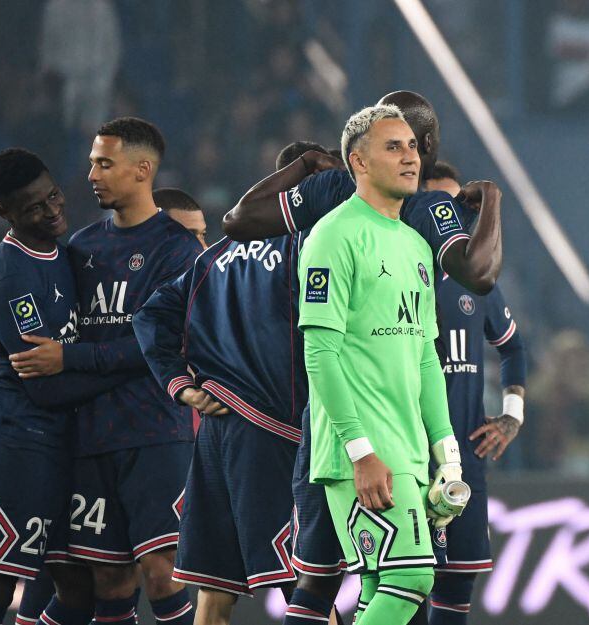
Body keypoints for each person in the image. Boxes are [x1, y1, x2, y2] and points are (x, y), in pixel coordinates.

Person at [131, 141, 350, 625]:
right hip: (274, 432)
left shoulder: (215, 256)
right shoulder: (312, 245)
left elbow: (150, 317)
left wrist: (181, 386)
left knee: (214, 592)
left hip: (216, 434)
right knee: (309, 585)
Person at [3, 118, 202, 625]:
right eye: (93, 162)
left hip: (155, 433)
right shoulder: (82, 247)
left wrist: (69, 359)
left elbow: (159, 344)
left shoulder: (176, 248)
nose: (91, 174)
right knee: (109, 579)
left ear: (142, 170)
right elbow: (52, 322)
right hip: (91, 434)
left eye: (104, 164)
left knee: (163, 573)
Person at [299, 103, 462, 624]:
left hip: (408, 451)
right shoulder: (333, 235)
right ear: (359, 162)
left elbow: (425, 357)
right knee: (413, 579)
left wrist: (447, 453)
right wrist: (360, 451)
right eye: (394, 147)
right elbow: (319, 353)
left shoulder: (415, 245)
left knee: (379, 587)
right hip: (362, 453)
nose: (411, 157)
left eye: (412, 146)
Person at [0, 148, 128, 625]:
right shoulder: (11, 277)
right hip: (14, 444)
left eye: (53, 195)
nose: (52, 209)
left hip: (60, 447)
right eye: (34, 207)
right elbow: (46, 389)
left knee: (77, 586)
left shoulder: (65, 251)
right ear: (6, 213)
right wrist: (129, 368)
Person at [222, 91, 502, 297]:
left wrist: (307, 162)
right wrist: (491, 197)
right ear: (428, 143)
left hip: (319, 344)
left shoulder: (331, 187)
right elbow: (480, 276)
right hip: (390, 354)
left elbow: (237, 221)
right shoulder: (428, 207)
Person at [425, 164, 528, 625]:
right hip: (405, 454)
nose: (447, 216)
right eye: (435, 205)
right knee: (404, 582)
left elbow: (513, 347)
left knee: (456, 586)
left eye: (455, 207)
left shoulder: (476, 281)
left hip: (464, 456)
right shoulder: (391, 270)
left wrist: (512, 414)